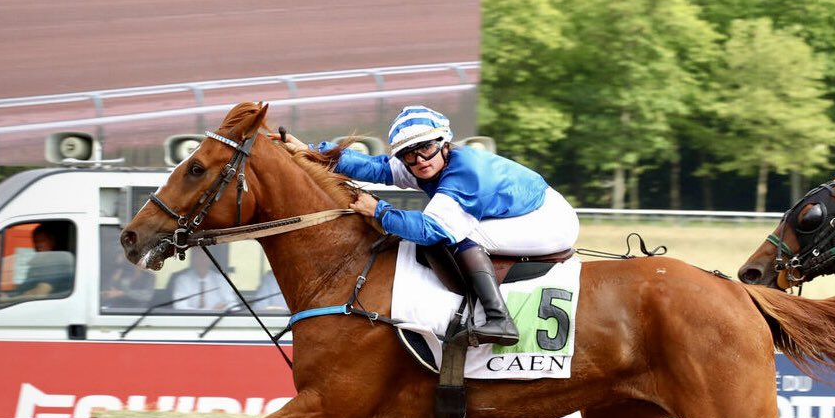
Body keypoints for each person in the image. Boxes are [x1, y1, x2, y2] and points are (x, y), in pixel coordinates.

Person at [271, 105, 580, 346]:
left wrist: (379, 211)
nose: (419, 160)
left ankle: (499, 320)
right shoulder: (428, 162)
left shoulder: (465, 173)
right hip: (516, 209)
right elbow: (376, 167)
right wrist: (311, 151)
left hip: (547, 221)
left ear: (444, 143)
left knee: (460, 236)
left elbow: (432, 230)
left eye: (426, 149)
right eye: (408, 154)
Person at [13, 222, 75, 301]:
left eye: (42, 241)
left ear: (52, 241)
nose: (38, 245)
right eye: (35, 242)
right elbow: (25, 288)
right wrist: (9, 295)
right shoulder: (38, 262)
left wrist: (8, 299)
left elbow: (40, 293)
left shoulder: (55, 261)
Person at [167, 249, 237, 311]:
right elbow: (179, 307)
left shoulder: (221, 280)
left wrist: (225, 308)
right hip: (189, 320)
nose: (202, 261)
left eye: (205, 258)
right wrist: (212, 311)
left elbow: (234, 306)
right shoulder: (183, 280)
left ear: (210, 261)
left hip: (218, 320)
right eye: (199, 257)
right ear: (193, 260)